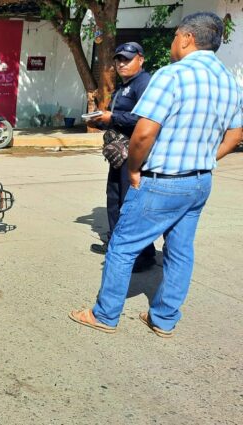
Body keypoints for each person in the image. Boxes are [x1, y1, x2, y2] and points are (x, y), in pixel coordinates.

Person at [70, 12, 243, 337]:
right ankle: (163, 319)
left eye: (176, 36)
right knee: (180, 250)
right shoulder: (229, 82)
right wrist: (205, 157)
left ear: (188, 38)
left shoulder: (172, 76)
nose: (174, 42)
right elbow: (235, 136)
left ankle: (105, 315)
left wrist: (134, 168)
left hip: (163, 179)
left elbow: (145, 133)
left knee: (121, 245)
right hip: (200, 181)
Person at [87, 42, 156, 273]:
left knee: (131, 204)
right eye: (118, 59)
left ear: (141, 59)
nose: (121, 63)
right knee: (114, 198)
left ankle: (144, 256)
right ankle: (116, 246)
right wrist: (98, 120)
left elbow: (145, 120)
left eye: (127, 59)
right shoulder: (124, 86)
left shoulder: (144, 83)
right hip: (119, 153)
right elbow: (118, 118)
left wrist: (112, 117)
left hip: (135, 153)